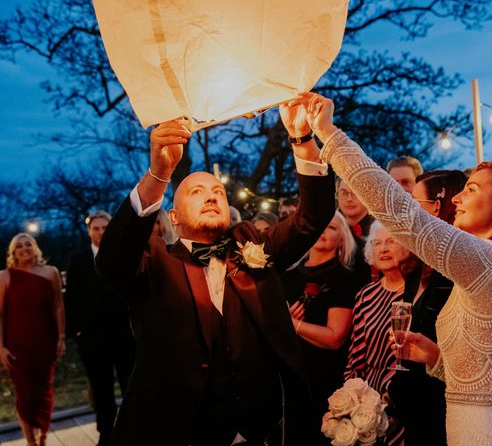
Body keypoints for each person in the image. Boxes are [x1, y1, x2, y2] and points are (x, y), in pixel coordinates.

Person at [298, 92, 492, 445]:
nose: (457, 198)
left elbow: (402, 215)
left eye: (471, 189)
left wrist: (328, 133)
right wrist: (435, 356)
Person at [95, 103, 336, 445]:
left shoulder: (251, 242)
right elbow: (111, 262)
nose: (211, 197)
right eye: (197, 192)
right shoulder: (154, 265)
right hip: (180, 433)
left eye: (218, 192)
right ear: (174, 217)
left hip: (262, 431)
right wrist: (159, 173)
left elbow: (313, 216)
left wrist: (301, 137)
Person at [386, 169, 466, 446]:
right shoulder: (416, 267)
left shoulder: (458, 269)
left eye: (415, 202)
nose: (410, 210)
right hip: (413, 404)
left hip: (444, 405)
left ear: (438, 207)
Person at [282, 211, 357, 442]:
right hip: (287, 377)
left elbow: (335, 337)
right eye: (320, 225)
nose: (324, 230)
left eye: (332, 227)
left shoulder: (345, 279)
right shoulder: (286, 275)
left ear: (342, 239)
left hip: (324, 378)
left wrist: (292, 324)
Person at [65, 210, 136, 446]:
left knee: (130, 386)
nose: (101, 232)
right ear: (89, 232)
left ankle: (132, 432)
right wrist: (75, 332)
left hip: (125, 336)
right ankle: (106, 435)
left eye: (105, 228)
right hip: (92, 339)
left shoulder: (124, 255)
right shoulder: (78, 261)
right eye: (96, 228)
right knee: (101, 390)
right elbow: (71, 300)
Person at [343, 220, 411, 445]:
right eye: (377, 243)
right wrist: (351, 401)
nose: (383, 249)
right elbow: (355, 357)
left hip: (404, 398)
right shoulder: (365, 295)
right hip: (366, 398)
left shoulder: (416, 294)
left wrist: (394, 405)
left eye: (391, 241)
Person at [0, 233, 65, 446]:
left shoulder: (50, 272)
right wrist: (0, 347)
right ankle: (31, 442)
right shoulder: (4, 277)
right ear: (13, 252)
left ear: (35, 247)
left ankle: (43, 434)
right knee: (25, 395)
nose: (24, 248)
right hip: (17, 345)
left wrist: (61, 337)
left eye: (28, 243)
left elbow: (58, 306)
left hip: (45, 341)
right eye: (19, 245)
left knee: (44, 391)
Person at [337, 178, 376, 289]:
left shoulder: (380, 230)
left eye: (355, 193)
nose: (349, 199)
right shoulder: (327, 228)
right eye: (344, 193)